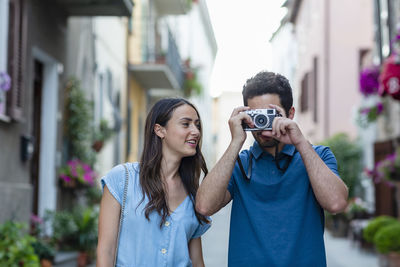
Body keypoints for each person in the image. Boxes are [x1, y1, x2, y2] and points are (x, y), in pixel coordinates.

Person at [196, 71, 348, 266]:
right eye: (256, 116)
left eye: (270, 115)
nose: (262, 125)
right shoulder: (240, 162)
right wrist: (236, 142)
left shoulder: (317, 156)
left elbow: (336, 203)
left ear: (290, 114)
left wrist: (300, 142)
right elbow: (204, 206)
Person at [97, 98, 211, 267]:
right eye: (186, 124)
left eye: (197, 125)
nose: (196, 131)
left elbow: (197, 261)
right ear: (159, 130)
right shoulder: (122, 179)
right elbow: (106, 250)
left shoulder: (194, 195)